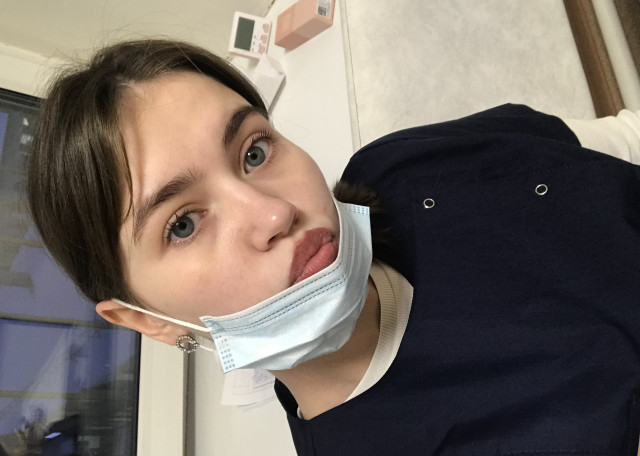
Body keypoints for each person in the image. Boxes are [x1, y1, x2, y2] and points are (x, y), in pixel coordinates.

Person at [26, 39, 640, 455]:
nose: (275, 213)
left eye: (254, 151)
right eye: (183, 224)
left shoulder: (402, 167)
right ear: (146, 321)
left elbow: (617, 142)